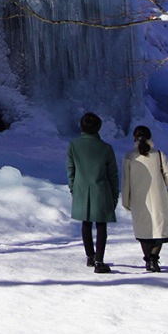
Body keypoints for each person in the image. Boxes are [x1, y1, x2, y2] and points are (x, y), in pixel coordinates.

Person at [66, 112, 121, 273]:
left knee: (86, 222)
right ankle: (99, 260)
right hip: (101, 190)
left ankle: (90, 256)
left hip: (81, 189)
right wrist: (114, 194)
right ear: (99, 127)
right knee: (101, 225)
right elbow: (113, 174)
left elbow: (71, 169)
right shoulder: (106, 148)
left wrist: (73, 188)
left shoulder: (73, 146)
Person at [121, 125, 168, 272]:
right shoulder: (159, 154)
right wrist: (163, 184)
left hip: (139, 199)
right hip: (159, 196)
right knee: (159, 230)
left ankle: (148, 259)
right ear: (150, 137)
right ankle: (154, 259)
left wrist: (126, 201)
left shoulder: (129, 156)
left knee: (143, 231)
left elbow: (126, 182)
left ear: (134, 138)